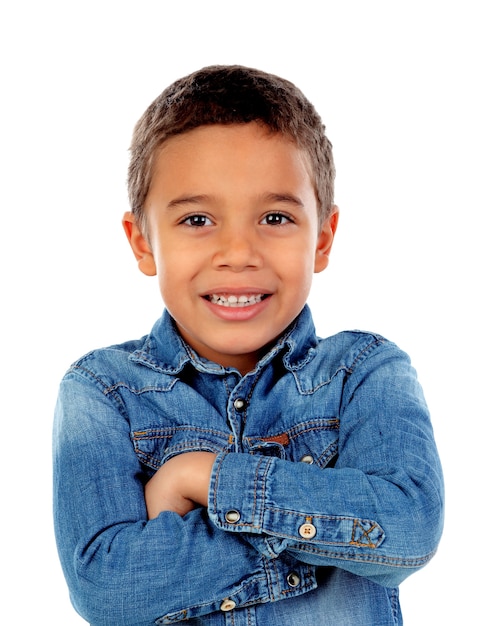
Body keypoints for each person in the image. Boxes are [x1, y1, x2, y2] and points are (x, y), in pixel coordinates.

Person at [53, 65, 444, 626]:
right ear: (142, 243)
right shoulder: (103, 390)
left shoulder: (364, 371)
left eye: (275, 217)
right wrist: (329, 536)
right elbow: (110, 590)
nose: (238, 252)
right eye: (198, 218)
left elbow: (408, 526)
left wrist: (203, 478)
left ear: (323, 239)